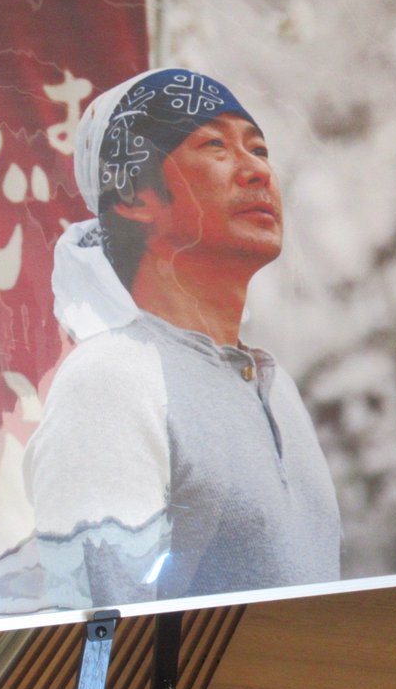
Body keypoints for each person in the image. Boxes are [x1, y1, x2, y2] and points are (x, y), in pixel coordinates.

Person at [25, 68, 341, 609]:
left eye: (259, 149)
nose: (257, 171)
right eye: (215, 145)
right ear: (134, 196)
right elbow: (103, 628)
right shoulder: (111, 380)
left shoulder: (278, 389)